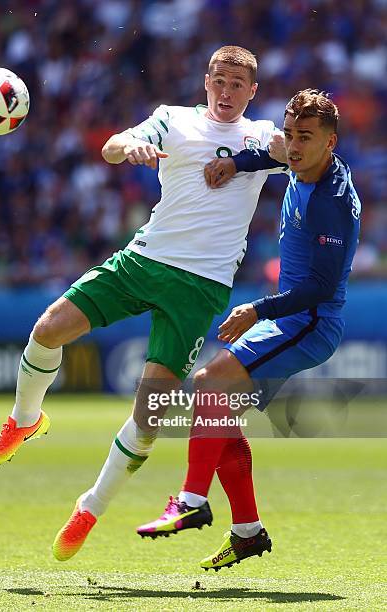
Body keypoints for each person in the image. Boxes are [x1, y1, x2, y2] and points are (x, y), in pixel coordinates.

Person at [0, 45, 284, 561]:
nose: (228, 92)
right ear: (205, 81)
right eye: (220, 81)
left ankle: (89, 508)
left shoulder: (261, 136)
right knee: (49, 327)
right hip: (142, 261)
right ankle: (24, 418)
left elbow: (302, 154)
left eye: (239, 84)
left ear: (253, 91)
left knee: (151, 412)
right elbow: (114, 146)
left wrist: (246, 160)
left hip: (200, 286)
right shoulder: (172, 119)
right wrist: (128, 148)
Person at [137, 90, 361, 572]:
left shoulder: (334, 202)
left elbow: (321, 288)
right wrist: (238, 162)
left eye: (307, 138)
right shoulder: (298, 160)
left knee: (209, 384)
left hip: (309, 323)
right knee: (218, 409)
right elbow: (271, 152)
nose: (295, 147)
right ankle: (247, 532)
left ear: (331, 142)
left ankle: (193, 501)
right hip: (291, 319)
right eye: (292, 135)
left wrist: (256, 310)